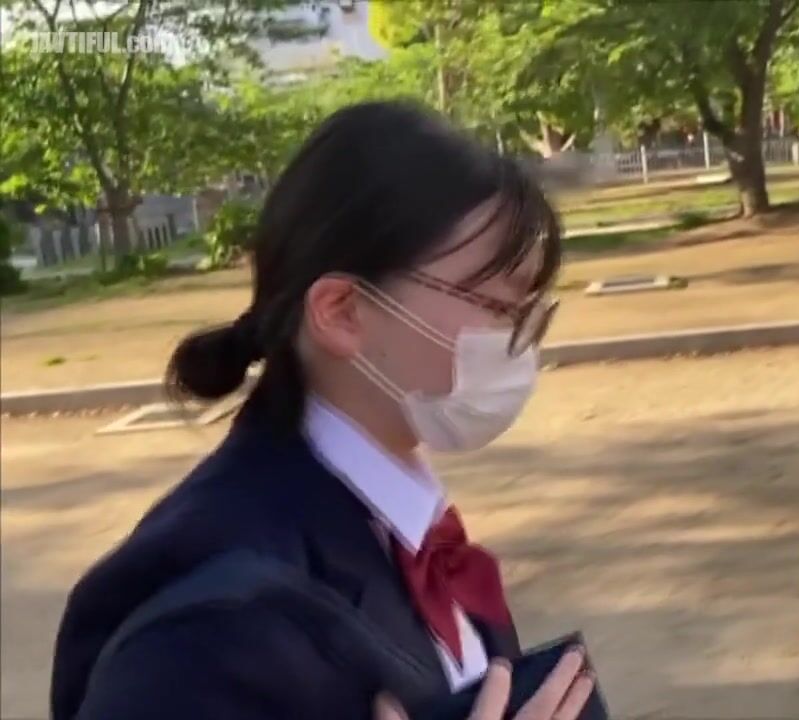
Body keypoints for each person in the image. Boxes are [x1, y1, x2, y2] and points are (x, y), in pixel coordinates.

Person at [50, 100, 593, 720]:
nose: (522, 339)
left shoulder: (407, 533)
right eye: (499, 307)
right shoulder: (214, 626)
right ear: (342, 312)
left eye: (531, 311)